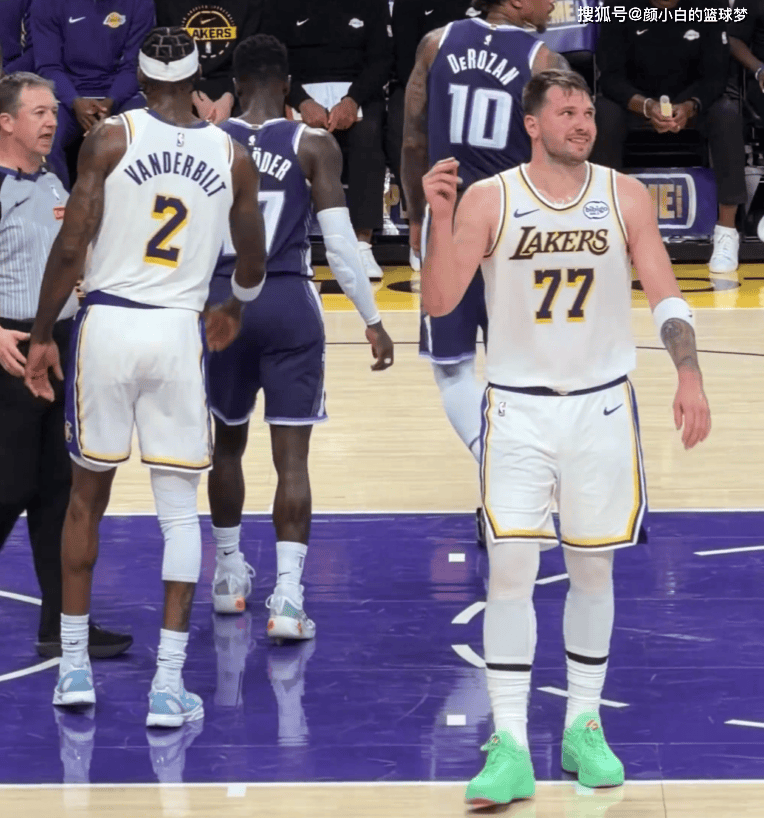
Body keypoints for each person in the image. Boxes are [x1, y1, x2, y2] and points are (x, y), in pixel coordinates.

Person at [420, 69, 711, 806]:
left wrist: (689, 373)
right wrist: (437, 217)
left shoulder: (625, 195)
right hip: (518, 410)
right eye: (567, 112)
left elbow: (666, 293)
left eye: (587, 112)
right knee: (511, 573)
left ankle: (584, 725)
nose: (583, 123)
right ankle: (510, 743)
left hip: (602, 408)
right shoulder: (492, 198)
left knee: (592, 572)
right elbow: (441, 300)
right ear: (533, 124)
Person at [23, 27, 266, 727]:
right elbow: (251, 259)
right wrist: (235, 307)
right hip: (176, 330)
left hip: (108, 323)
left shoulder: (110, 138)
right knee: (178, 511)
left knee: (85, 499)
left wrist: (41, 335)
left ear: (138, 75)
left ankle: (73, 669)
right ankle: (167, 684)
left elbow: (72, 245)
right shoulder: (231, 153)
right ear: (195, 78)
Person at [205, 34, 394, 640]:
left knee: (226, 445)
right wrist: (372, 320)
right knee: (292, 459)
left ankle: (228, 576)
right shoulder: (312, 143)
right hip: (287, 300)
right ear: (287, 86)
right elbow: (340, 247)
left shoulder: (209, 142)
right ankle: (287, 599)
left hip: (223, 304)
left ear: (235, 85)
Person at [401, 0, 564, 544]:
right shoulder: (542, 59)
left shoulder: (435, 44)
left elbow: (413, 141)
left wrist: (417, 217)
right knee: (522, 372)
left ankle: (502, 480)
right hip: (515, 224)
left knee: (452, 371)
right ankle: (512, 488)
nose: (553, 3)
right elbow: (563, 152)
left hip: (450, 219)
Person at [0, 71, 131, 660]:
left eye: (54, 111)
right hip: (12, 349)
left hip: (62, 344)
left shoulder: (55, 180)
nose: (52, 121)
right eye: (38, 113)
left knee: (58, 490)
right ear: (6, 122)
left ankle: (61, 626)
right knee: (9, 488)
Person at [592, 0, 746, 275]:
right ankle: (606, 228)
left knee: (727, 113)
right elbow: (610, 77)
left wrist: (690, 106)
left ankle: (726, 231)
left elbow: (716, 75)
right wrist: (645, 106)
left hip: (692, 103)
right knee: (603, 112)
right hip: (636, 103)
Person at [261, 0, 393, 280]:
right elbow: (271, 60)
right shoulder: (278, 6)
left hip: (356, 92)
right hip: (298, 93)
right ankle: (291, 243)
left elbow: (381, 59)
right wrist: (299, 100)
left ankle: (362, 244)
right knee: (286, 136)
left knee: (369, 132)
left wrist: (353, 100)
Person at [30, 0, 156, 188]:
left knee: (147, 134)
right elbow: (48, 66)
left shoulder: (140, 3)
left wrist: (112, 101)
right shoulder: (46, 4)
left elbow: (134, 65)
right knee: (42, 135)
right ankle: (59, 203)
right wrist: (73, 101)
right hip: (67, 96)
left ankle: (134, 204)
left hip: (121, 95)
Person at [154, 0, 263, 124]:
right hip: (181, 85)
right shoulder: (165, 4)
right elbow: (165, 57)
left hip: (236, 87)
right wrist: (193, 95)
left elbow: (252, 56)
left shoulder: (251, 4)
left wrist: (230, 96)